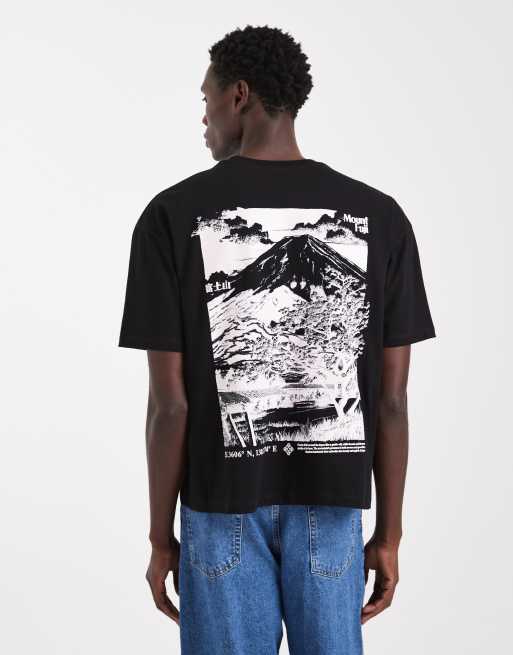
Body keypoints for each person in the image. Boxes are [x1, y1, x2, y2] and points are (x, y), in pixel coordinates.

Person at [118, 24, 436, 655]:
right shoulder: (382, 216)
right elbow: (392, 401)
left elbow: (170, 405)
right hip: (335, 511)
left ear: (238, 95)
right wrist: (390, 534)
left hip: (218, 511)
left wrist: (159, 537)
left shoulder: (170, 215)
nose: (203, 117)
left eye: (206, 98)